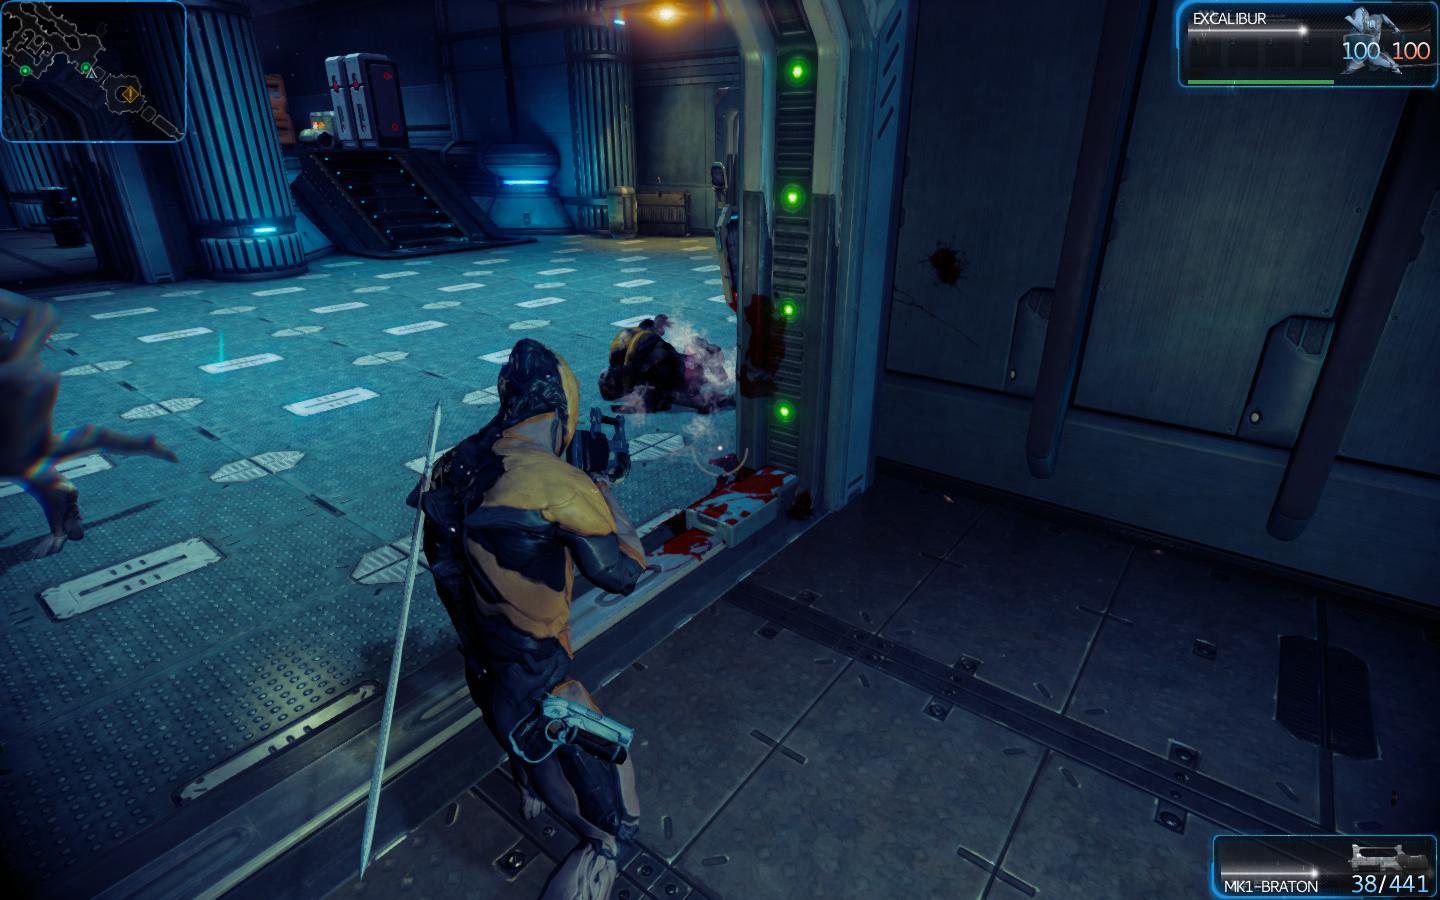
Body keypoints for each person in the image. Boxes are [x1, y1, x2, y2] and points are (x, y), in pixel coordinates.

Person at [408, 339, 644, 900]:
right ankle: (598, 853)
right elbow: (626, 572)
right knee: (616, 811)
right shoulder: (556, 484)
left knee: (517, 742)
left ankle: (530, 787)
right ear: (564, 408)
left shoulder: (450, 465)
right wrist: (602, 490)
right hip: (542, 675)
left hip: (481, 658)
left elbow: (441, 559)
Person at [0, 290, 178, 557]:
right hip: (17, 385)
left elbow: (41, 313)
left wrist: (19, 361)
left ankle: (61, 520)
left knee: (21, 462)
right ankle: (126, 444)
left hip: (15, 387)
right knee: (36, 452)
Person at [598, 315, 733, 413]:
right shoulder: (622, 358)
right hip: (670, 362)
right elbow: (643, 329)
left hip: (671, 364)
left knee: (681, 386)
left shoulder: (629, 368)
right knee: (681, 384)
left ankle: (714, 388)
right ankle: (714, 388)